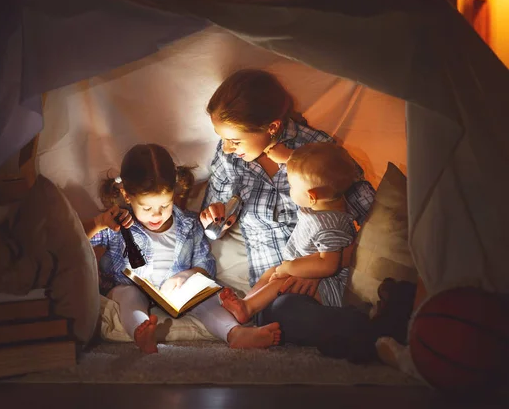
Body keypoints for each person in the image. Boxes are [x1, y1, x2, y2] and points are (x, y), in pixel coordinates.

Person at [200, 69, 376, 345]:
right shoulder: (229, 160)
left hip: (322, 282)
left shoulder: (318, 151)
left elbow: (373, 220)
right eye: (222, 139)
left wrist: (319, 269)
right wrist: (214, 219)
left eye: (235, 141)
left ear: (271, 127)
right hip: (266, 291)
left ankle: (366, 331)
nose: (227, 149)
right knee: (274, 312)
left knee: (292, 313)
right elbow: (213, 228)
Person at [82, 144, 281, 354]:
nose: (157, 215)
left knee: (204, 297)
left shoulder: (189, 224)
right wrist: (98, 222)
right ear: (127, 195)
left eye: (165, 206)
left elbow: (206, 263)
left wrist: (187, 275)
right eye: (147, 208)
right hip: (129, 287)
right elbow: (74, 239)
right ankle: (141, 332)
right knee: (128, 295)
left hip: (176, 296)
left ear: (174, 193)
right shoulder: (116, 223)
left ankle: (235, 333)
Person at [219, 142, 358, 324]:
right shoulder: (319, 208)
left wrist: (289, 268)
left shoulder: (331, 223)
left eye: (292, 186)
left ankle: (247, 309)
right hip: (303, 271)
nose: (290, 190)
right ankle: (247, 304)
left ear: (311, 197)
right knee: (272, 272)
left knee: (283, 279)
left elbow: (328, 265)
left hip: (328, 288)